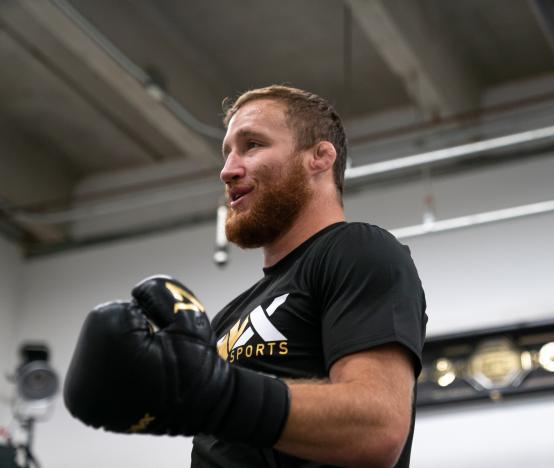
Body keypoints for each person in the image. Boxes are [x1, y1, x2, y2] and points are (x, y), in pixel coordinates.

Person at [63, 85, 427, 468]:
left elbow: (377, 428)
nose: (228, 170)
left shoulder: (357, 250)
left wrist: (216, 394)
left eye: (252, 145)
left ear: (320, 157)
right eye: (227, 153)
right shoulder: (228, 319)